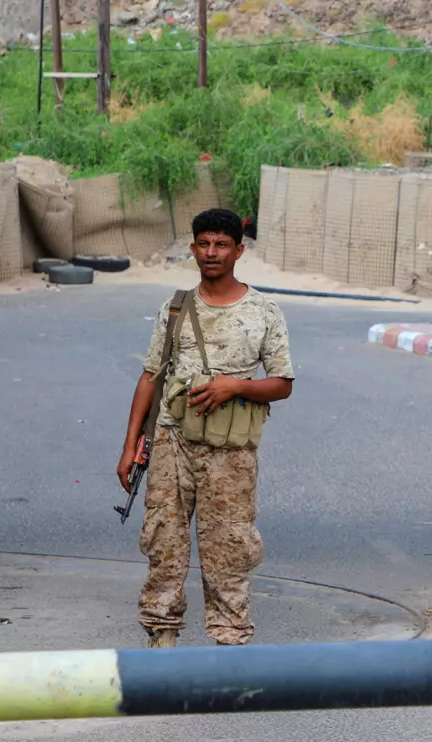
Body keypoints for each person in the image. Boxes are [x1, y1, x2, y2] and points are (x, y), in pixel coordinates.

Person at [116, 207, 295, 648]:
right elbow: (149, 376)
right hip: (171, 441)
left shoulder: (263, 311)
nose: (211, 253)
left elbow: (282, 384)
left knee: (230, 545)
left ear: (239, 250)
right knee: (163, 540)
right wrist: (130, 446)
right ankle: (161, 635)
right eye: (203, 244)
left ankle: (230, 637)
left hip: (229, 451)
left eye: (221, 245)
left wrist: (233, 386)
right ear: (193, 248)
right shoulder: (175, 308)